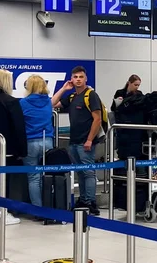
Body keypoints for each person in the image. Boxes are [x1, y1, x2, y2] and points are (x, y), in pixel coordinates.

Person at [51, 66, 103, 215]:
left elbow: (97, 119)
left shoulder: (91, 95)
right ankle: (84, 199)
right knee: (80, 172)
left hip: (85, 142)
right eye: (75, 77)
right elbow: (52, 104)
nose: (78, 79)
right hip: (73, 141)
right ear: (72, 79)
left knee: (88, 172)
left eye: (81, 77)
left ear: (86, 78)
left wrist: (89, 139)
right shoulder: (73, 97)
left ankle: (91, 202)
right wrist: (64, 88)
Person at [20, 75, 54, 209]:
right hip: (47, 141)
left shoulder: (23, 102)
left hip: (30, 142)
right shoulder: (48, 102)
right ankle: (50, 206)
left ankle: (37, 210)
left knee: (34, 178)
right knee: (48, 176)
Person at [0, 69, 26, 225]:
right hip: (6, 152)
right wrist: (22, 151)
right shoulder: (10, 101)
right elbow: (18, 128)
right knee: (4, 181)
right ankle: (4, 211)